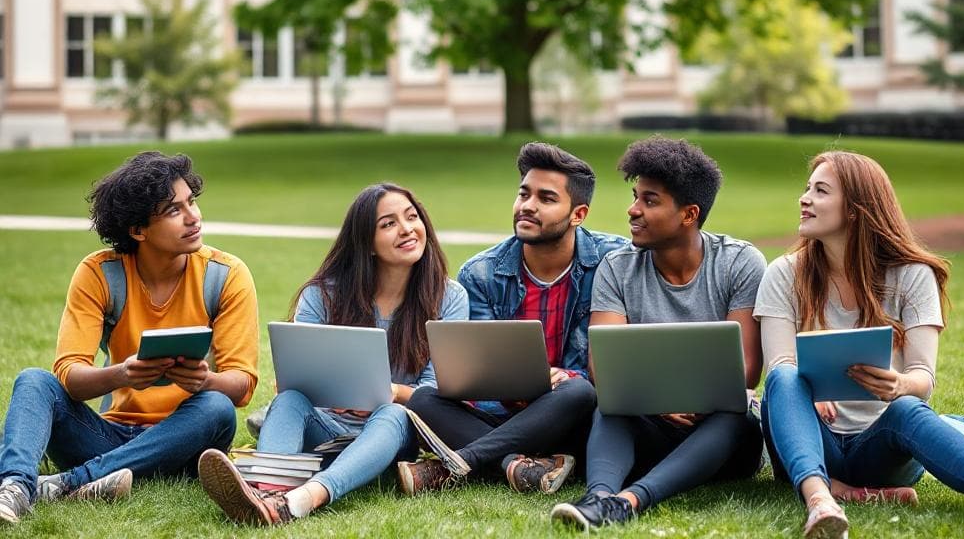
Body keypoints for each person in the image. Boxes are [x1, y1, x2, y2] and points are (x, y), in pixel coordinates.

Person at [755, 151, 964, 538]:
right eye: (806, 188)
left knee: (909, 409)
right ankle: (821, 503)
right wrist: (807, 386)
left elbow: (923, 377)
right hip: (810, 440)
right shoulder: (783, 274)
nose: (805, 198)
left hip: (884, 445)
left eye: (821, 190)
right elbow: (780, 363)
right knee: (783, 378)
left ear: (854, 209)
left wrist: (899, 385)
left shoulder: (913, 275)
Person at [0, 152, 259, 526]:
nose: (193, 217)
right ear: (138, 230)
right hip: (110, 435)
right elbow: (70, 376)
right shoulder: (99, 273)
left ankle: (69, 483)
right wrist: (124, 374)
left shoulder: (226, 275)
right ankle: (16, 488)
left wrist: (204, 381)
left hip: (184, 444)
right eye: (174, 210)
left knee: (216, 406)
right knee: (34, 381)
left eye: (193, 202)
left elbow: (242, 386)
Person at [198, 183, 469, 526]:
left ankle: (304, 498)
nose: (406, 229)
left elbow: (436, 392)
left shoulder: (448, 296)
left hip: (390, 435)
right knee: (290, 400)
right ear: (366, 243)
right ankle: (265, 493)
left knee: (393, 414)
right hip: (327, 427)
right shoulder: (323, 294)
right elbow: (293, 378)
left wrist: (392, 392)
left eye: (412, 217)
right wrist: (320, 390)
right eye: (388, 224)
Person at [549, 136, 766, 531]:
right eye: (635, 196)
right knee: (610, 406)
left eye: (650, 200)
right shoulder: (617, 268)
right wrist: (658, 404)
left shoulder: (740, 262)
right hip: (646, 425)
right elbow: (605, 368)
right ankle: (599, 497)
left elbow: (746, 369)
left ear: (688, 215)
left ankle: (631, 501)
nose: (633, 210)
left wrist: (691, 399)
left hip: (719, 439)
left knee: (736, 414)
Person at [399, 142, 627, 496]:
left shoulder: (612, 262)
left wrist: (561, 378)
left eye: (546, 199)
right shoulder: (482, 272)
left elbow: (606, 373)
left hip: (571, 415)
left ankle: (458, 461)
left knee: (579, 391)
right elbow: (476, 375)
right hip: (502, 414)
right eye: (524, 194)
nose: (528, 206)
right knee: (423, 399)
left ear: (578, 214)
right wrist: (508, 392)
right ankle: (519, 466)